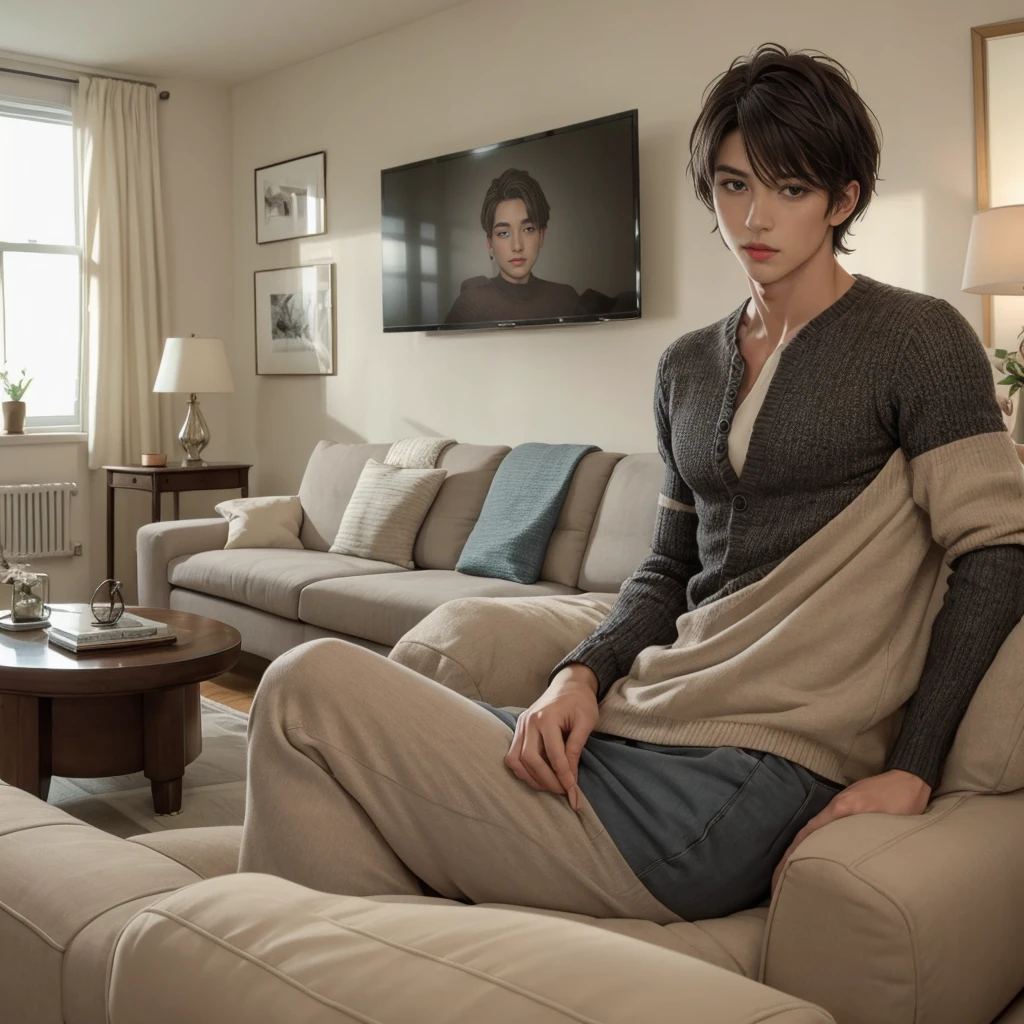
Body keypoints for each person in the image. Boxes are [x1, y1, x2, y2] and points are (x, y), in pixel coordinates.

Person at [238, 43, 1024, 923]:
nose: (754, 216)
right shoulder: (686, 367)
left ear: (843, 200)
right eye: (733, 186)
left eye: (791, 189)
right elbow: (666, 568)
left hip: (753, 777)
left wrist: (913, 769)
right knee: (331, 762)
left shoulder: (918, 340)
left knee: (306, 690)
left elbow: (998, 550)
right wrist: (580, 673)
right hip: (640, 723)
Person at [443, 168, 585, 325]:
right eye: (503, 233)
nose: (517, 246)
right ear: (490, 244)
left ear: (541, 235)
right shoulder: (470, 303)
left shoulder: (564, 299)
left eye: (528, 229)